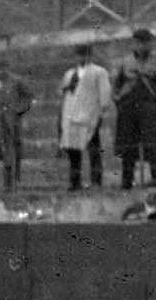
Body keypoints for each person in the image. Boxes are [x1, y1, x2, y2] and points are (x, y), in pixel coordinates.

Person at [112, 29, 156, 189]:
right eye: (138, 42)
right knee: (128, 146)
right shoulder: (125, 62)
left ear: (151, 43)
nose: (141, 46)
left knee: (154, 145)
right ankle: (127, 181)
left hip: (150, 107)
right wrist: (119, 100)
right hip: (129, 108)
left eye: (145, 42)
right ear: (133, 43)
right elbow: (115, 87)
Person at [59, 44, 111, 191]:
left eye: (84, 55)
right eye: (79, 55)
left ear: (90, 56)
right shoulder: (69, 74)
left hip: (90, 116)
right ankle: (75, 182)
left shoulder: (99, 72)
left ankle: (96, 181)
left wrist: (100, 111)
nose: (81, 58)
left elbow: (105, 95)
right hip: (71, 117)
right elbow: (65, 95)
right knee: (73, 151)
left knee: (94, 150)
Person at [0, 60, 33, 193]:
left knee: (8, 154)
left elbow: (28, 98)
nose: (0, 71)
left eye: (3, 68)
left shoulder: (16, 81)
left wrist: (18, 110)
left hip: (7, 123)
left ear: (7, 67)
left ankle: (8, 185)